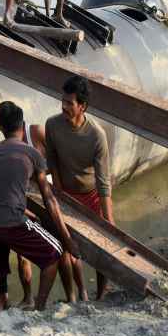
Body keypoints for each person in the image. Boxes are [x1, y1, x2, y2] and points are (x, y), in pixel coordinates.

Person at [0, 101, 77, 311]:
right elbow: (49, 199)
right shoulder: (32, 154)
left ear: (0, 127)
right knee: (55, 254)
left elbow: (0, 191)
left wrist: (25, 210)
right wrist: (67, 238)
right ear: (22, 125)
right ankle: (39, 308)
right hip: (12, 222)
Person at [45, 76, 112, 301]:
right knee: (63, 246)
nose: (63, 106)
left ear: (82, 106)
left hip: (91, 196)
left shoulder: (96, 135)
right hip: (65, 194)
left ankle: (101, 295)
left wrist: (109, 223)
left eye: (69, 103)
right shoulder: (52, 125)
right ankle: (76, 294)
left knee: (102, 250)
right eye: (62, 101)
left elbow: (104, 183)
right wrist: (60, 193)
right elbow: (52, 160)